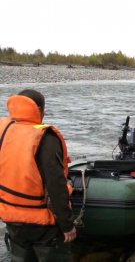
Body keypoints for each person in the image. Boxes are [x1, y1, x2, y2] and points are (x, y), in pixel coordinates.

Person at [0, 89, 76, 261]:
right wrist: (67, 225)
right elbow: (56, 185)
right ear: (40, 109)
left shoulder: (3, 131)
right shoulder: (44, 137)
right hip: (42, 226)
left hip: (12, 220)